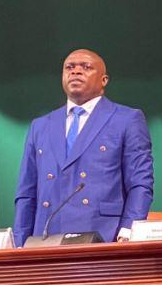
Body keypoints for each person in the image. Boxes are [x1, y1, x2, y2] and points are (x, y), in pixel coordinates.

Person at [13, 49, 154, 246]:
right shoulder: (41, 125)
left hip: (105, 236)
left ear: (104, 80)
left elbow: (140, 183)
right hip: (44, 239)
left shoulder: (127, 119)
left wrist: (128, 230)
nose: (76, 71)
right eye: (69, 67)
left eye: (86, 67)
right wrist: (20, 242)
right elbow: (26, 192)